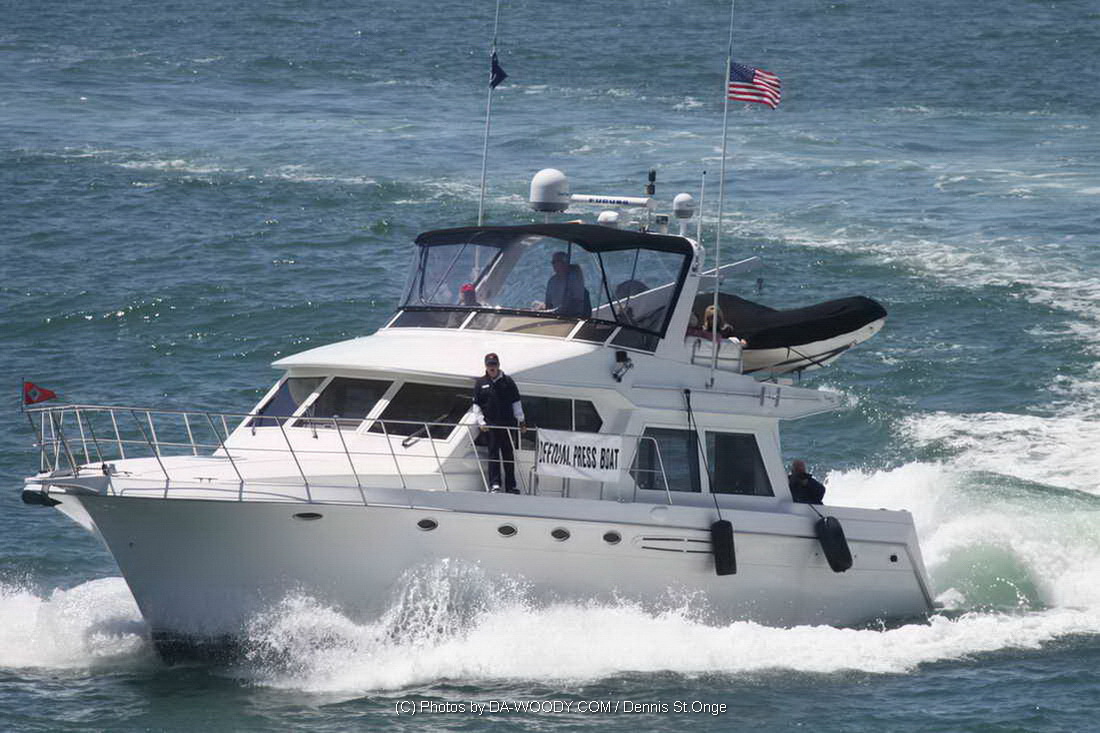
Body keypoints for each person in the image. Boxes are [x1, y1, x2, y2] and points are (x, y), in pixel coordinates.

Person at [471, 353, 526, 494]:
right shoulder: (481, 383)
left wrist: (521, 421)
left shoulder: (508, 382)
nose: (492, 367)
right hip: (491, 425)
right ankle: (495, 484)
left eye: (494, 364)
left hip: (507, 425)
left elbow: (516, 403)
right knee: (493, 454)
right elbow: (476, 405)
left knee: (508, 455)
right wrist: (481, 422)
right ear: (486, 366)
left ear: (498, 365)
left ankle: (511, 486)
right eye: (489, 365)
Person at [543, 251, 589, 317]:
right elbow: (548, 303)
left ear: (564, 262)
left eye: (556, 262)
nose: (554, 264)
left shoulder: (574, 278)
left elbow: (577, 301)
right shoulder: (552, 281)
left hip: (571, 317)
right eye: (553, 262)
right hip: (556, 316)